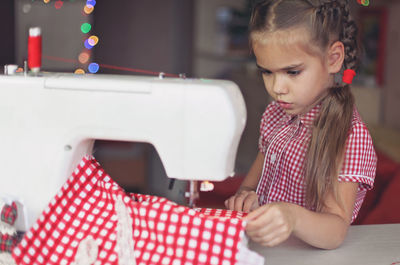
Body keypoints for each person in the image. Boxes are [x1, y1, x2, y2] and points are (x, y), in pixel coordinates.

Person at [225, 0, 377, 250]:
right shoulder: (275, 115)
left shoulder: (349, 135)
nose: (276, 88)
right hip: (269, 252)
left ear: (333, 59)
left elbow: (336, 231)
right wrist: (246, 199)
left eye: (292, 72)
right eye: (267, 72)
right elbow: (250, 186)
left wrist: (291, 216)